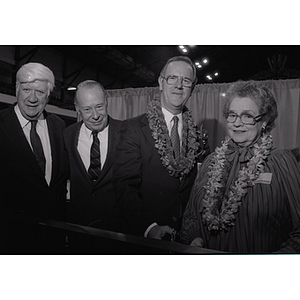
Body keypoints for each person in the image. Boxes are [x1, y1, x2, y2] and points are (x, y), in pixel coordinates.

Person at [180, 81, 300, 253]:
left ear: (264, 120)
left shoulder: (281, 161)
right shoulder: (211, 161)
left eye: (247, 116)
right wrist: (195, 238)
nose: (237, 123)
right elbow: (191, 215)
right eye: (232, 115)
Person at [113, 56, 209, 246]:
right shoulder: (133, 128)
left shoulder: (198, 135)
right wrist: (149, 227)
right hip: (146, 240)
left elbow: (198, 190)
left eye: (186, 81)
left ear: (192, 88)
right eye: (172, 78)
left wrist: (195, 232)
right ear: (160, 82)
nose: (178, 86)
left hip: (187, 241)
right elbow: (124, 187)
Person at [0, 62, 69, 253]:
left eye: (39, 92)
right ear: (16, 89)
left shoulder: (59, 126)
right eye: (26, 89)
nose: (32, 98)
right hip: (10, 238)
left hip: (53, 237)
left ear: (48, 95)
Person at [64, 80, 130, 253]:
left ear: (107, 103)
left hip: (119, 232)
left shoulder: (127, 132)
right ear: (78, 109)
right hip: (80, 232)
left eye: (99, 107)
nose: (95, 115)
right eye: (87, 109)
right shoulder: (67, 134)